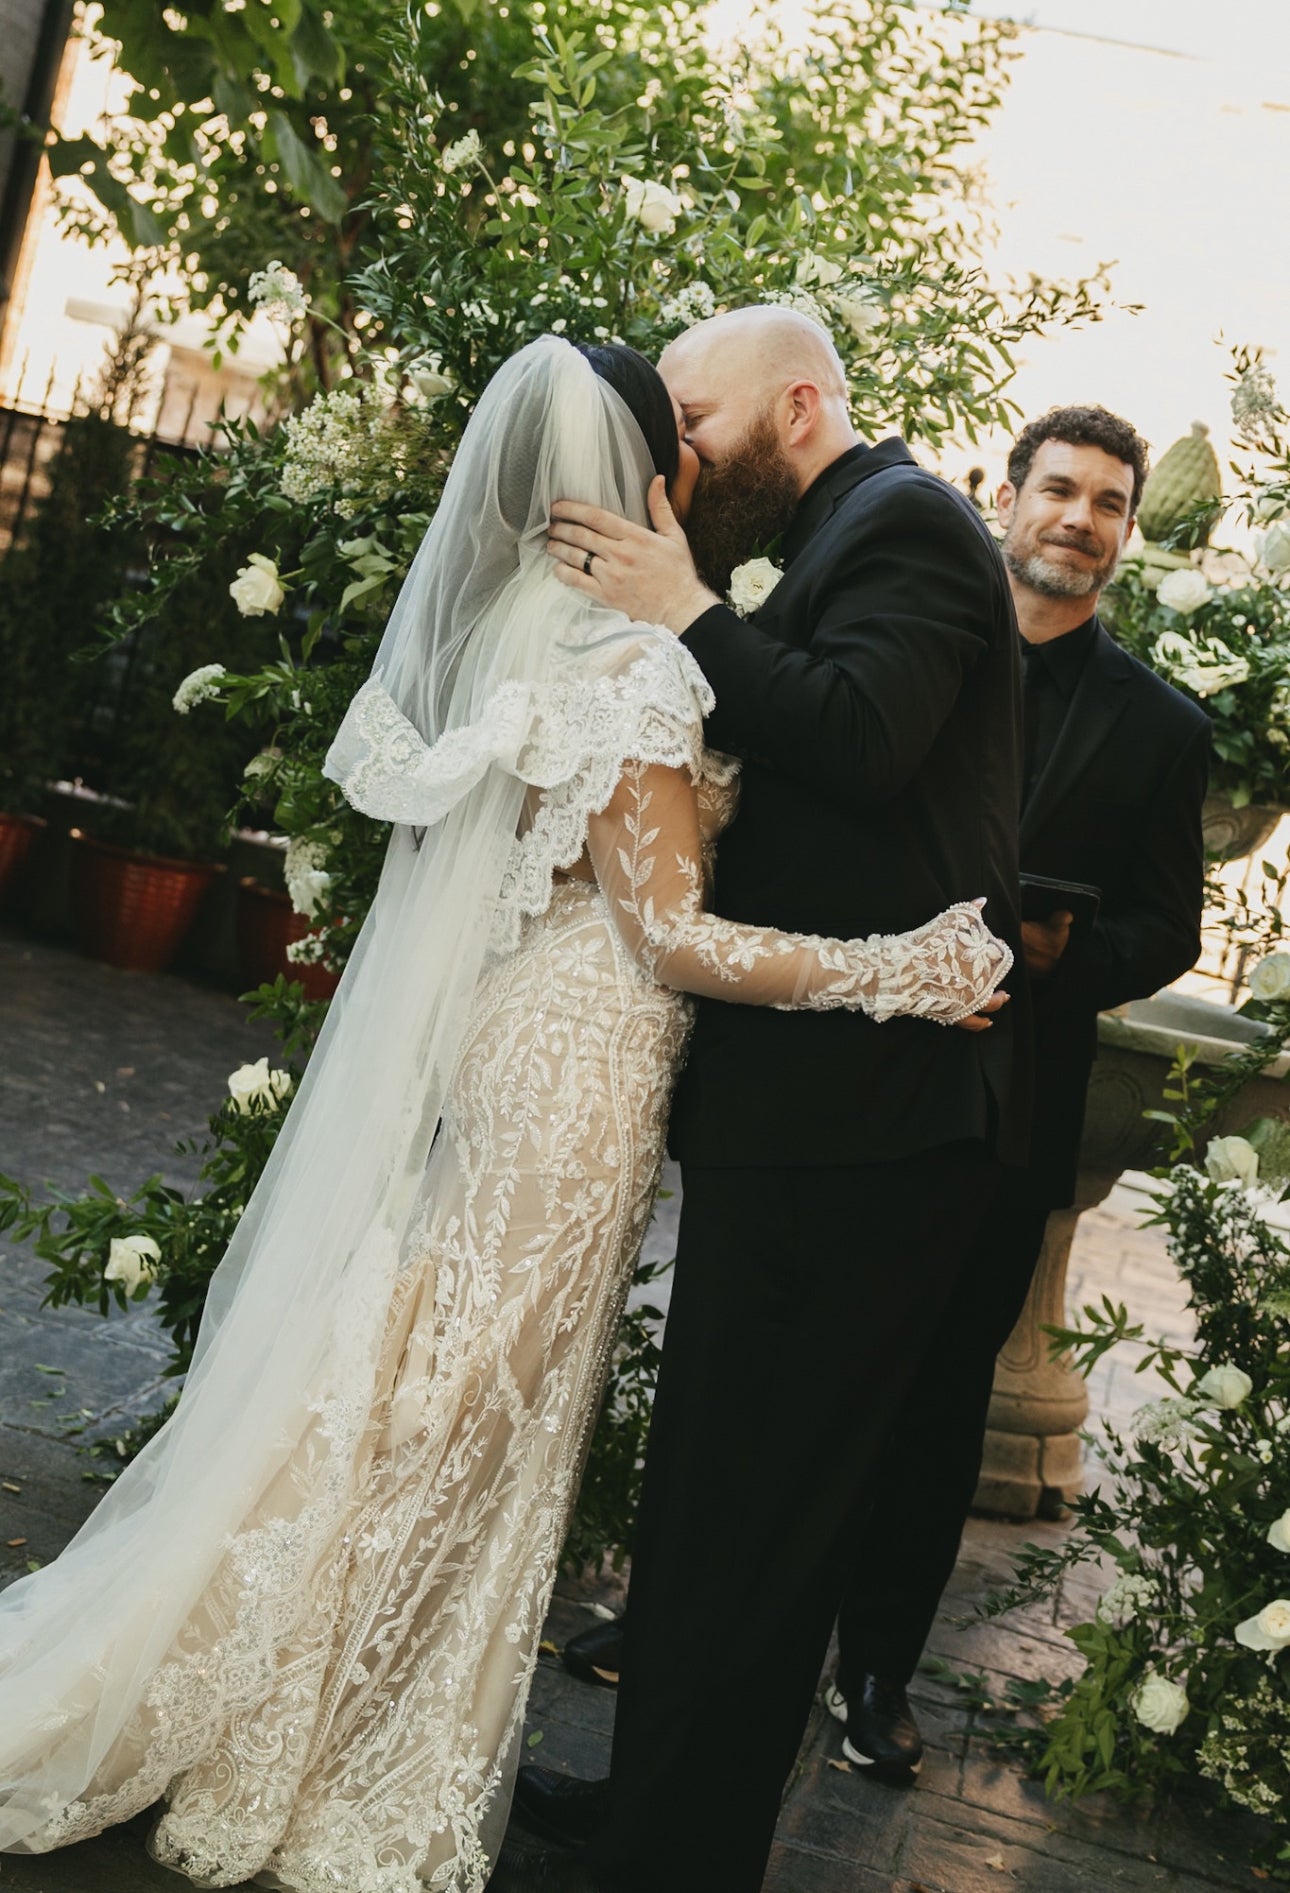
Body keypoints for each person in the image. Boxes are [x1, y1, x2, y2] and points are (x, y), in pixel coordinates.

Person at [0, 337, 1011, 1893]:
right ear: (641, 471)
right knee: (464, 1418)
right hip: (582, 1067)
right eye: (669, 427)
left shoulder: (533, 627)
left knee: (434, 1386)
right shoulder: (643, 662)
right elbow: (670, 935)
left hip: (524, 1035)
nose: (688, 449)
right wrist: (903, 968)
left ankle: (291, 1693)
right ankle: (298, 1724)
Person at [518, 402, 1210, 1833]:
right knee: (750, 1466)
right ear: (1008, 499)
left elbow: (1155, 923)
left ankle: (861, 1679)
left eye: (1108, 502)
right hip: (842, 1074)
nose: (1079, 518)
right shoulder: (906, 586)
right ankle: (661, 1766)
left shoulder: (1155, 722)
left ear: (1125, 532)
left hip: (962, 1094)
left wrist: (1051, 951)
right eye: (1059, 489)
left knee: (892, 1431)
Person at [505, 305, 1030, 1893]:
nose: (680, 450)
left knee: (763, 1509)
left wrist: (682, 611)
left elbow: (861, 743)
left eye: (699, 415)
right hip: (799, 1109)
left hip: (865, 1124)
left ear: (798, 404)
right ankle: (653, 1797)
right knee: (712, 1491)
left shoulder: (917, 532)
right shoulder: (838, 533)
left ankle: (674, 1856)